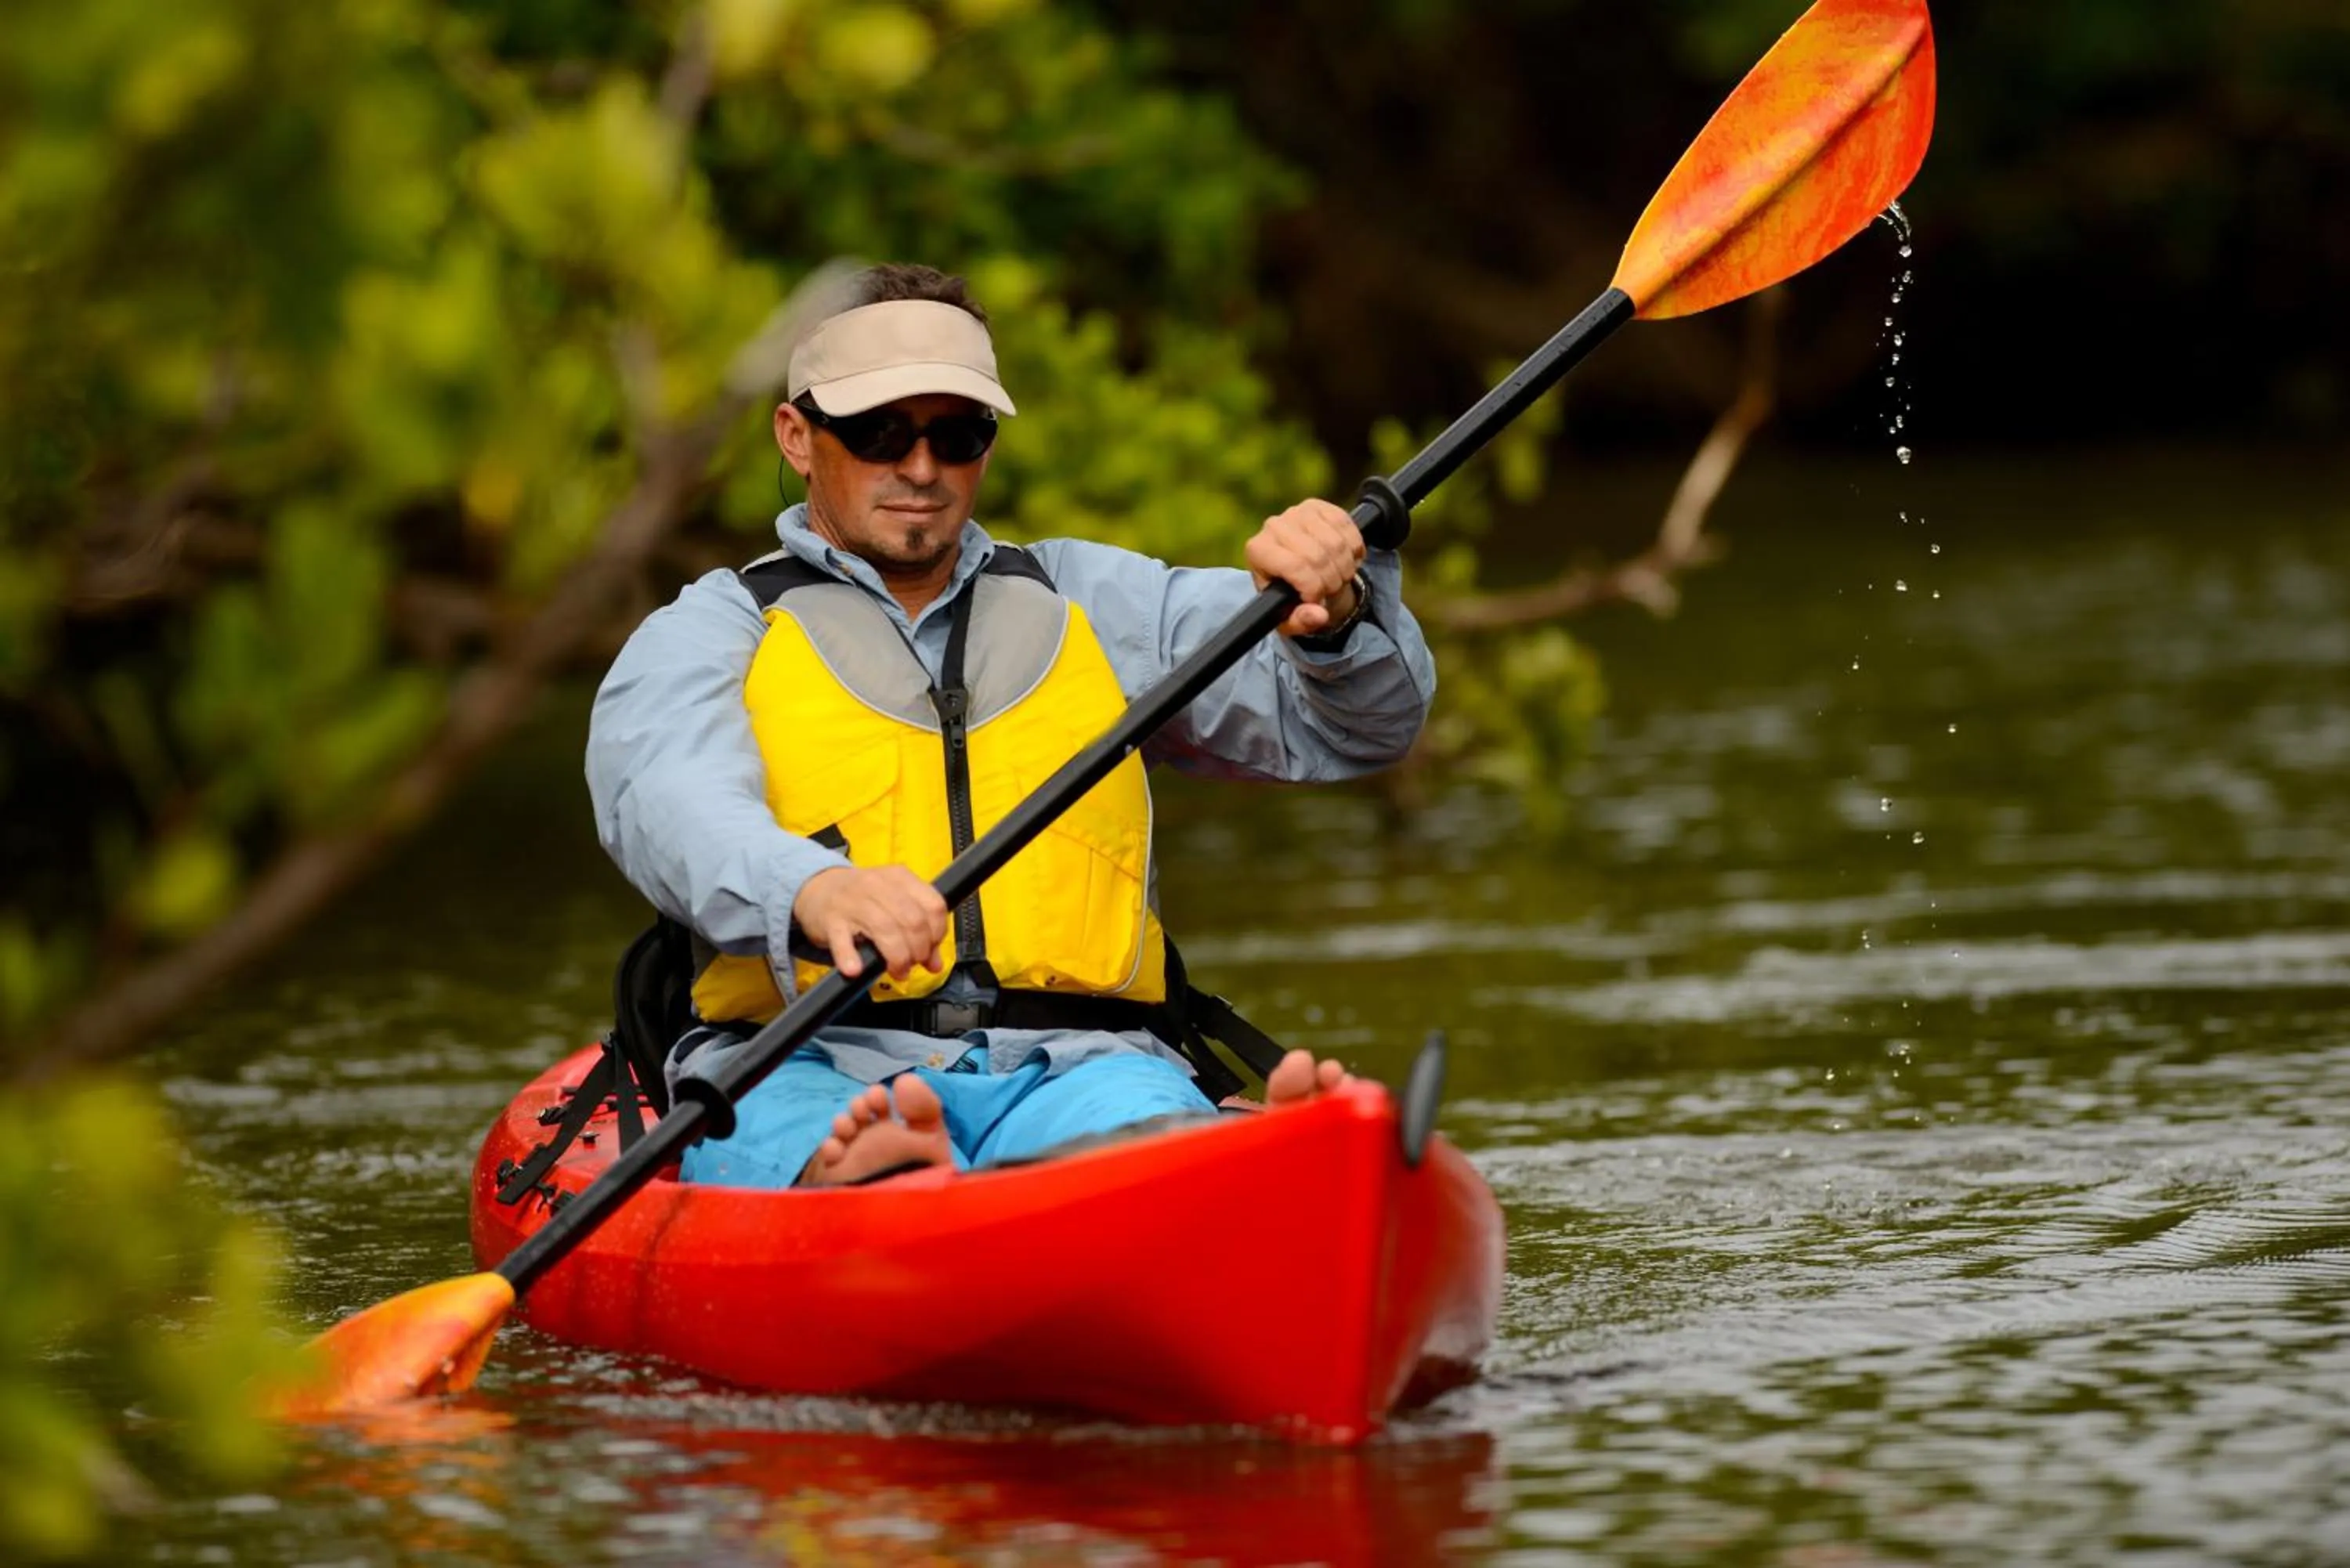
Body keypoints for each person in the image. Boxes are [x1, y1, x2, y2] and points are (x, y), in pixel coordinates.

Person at [586, 263, 1434, 1188]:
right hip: (804, 1064)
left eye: (956, 433)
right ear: (797, 435)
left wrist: (1337, 613)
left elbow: (1358, 728)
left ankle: (1213, 1166)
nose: (920, 467)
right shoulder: (714, 629)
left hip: (1083, 1067)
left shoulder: (1092, 602)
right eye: (879, 432)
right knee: (829, 1134)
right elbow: (664, 797)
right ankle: (873, 1180)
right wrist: (810, 891)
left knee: (1136, 1117)